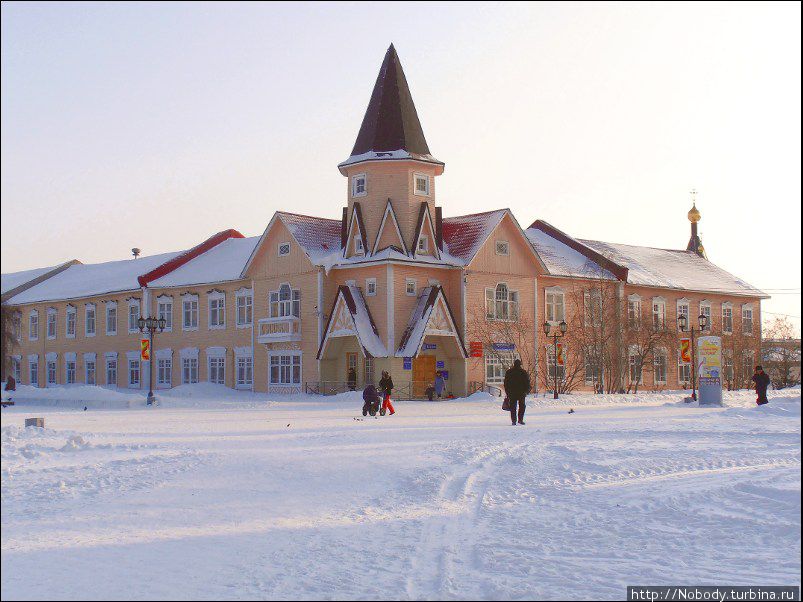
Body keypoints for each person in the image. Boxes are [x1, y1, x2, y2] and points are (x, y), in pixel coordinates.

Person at [503, 359, 531, 426]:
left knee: (513, 407)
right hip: (521, 392)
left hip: (512, 392)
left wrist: (507, 391)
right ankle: (520, 420)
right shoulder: (523, 372)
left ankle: (513, 421)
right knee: (522, 406)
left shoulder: (509, 372)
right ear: (520, 365)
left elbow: (506, 383)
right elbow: (527, 382)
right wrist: (526, 391)